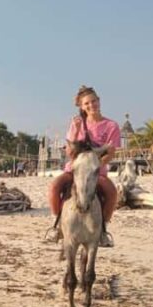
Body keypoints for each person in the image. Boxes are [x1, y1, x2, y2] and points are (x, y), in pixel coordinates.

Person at [46, 85, 120, 247]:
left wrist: (95, 165)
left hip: (96, 170)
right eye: (87, 103)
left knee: (112, 192)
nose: (91, 105)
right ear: (81, 106)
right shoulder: (77, 123)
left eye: (93, 101)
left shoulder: (111, 126)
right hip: (74, 169)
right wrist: (77, 130)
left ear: (99, 101)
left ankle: (103, 230)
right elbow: (70, 152)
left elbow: (110, 153)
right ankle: (56, 225)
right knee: (54, 186)